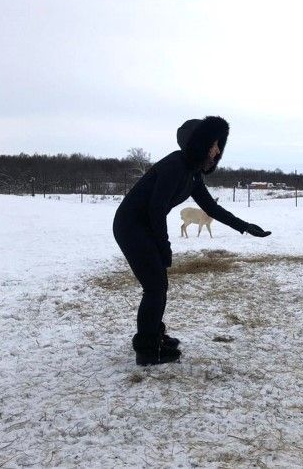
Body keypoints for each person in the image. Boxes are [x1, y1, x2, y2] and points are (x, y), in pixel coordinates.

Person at [113, 116, 271, 366]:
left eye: (220, 145)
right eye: (214, 144)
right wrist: (164, 247)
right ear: (199, 143)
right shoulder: (175, 165)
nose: (218, 150)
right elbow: (156, 208)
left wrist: (245, 227)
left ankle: (154, 336)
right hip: (131, 226)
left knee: (159, 285)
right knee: (154, 287)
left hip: (145, 226)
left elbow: (212, 209)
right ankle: (146, 350)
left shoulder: (193, 174)